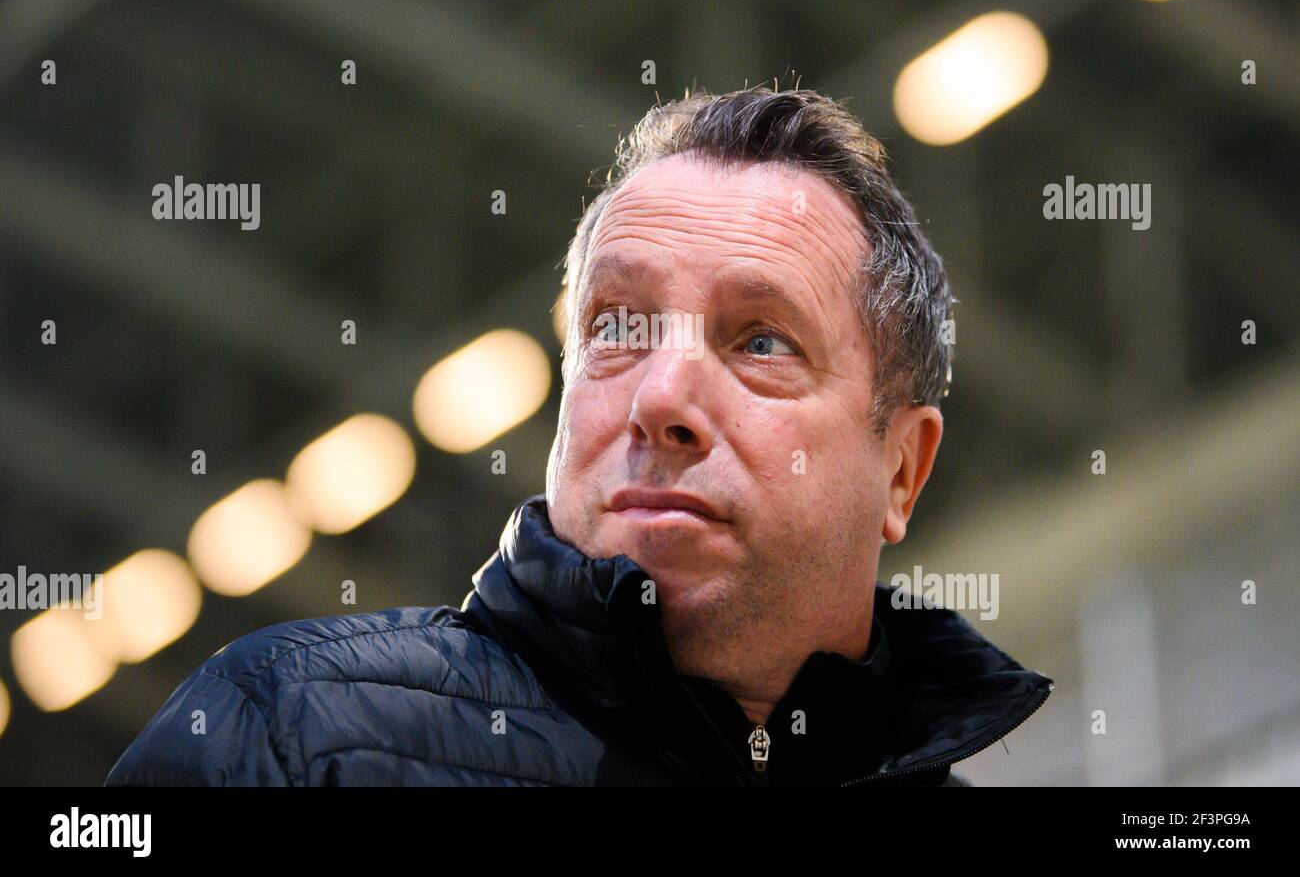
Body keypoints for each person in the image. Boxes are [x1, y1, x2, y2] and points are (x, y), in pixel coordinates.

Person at [105, 85, 1052, 787]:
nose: (660, 397)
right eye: (617, 328)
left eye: (760, 340)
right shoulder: (287, 731)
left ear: (901, 469)